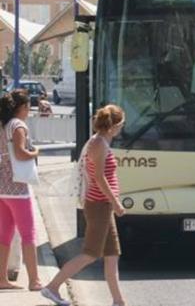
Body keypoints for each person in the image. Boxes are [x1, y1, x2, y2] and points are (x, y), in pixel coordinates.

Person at [42, 105, 127, 306]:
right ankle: (52, 287)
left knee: (112, 255)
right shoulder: (98, 143)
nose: (121, 128)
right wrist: (115, 203)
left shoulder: (103, 141)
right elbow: (99, 177)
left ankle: (118, 301)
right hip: (99, 205)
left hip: (103, 205)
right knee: (90, 254)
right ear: (114, 125)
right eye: (121, 124)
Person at [0, 89, 42, 291]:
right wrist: (36, 152)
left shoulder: (4, 125)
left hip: (2, 187)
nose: (29, 111)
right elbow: (21, 153)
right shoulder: (18, 126)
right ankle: (34, 281)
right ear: (23, 108)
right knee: (28, 233)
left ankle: (1, 278)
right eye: (28, 107)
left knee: (4, 234)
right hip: (18, 189)